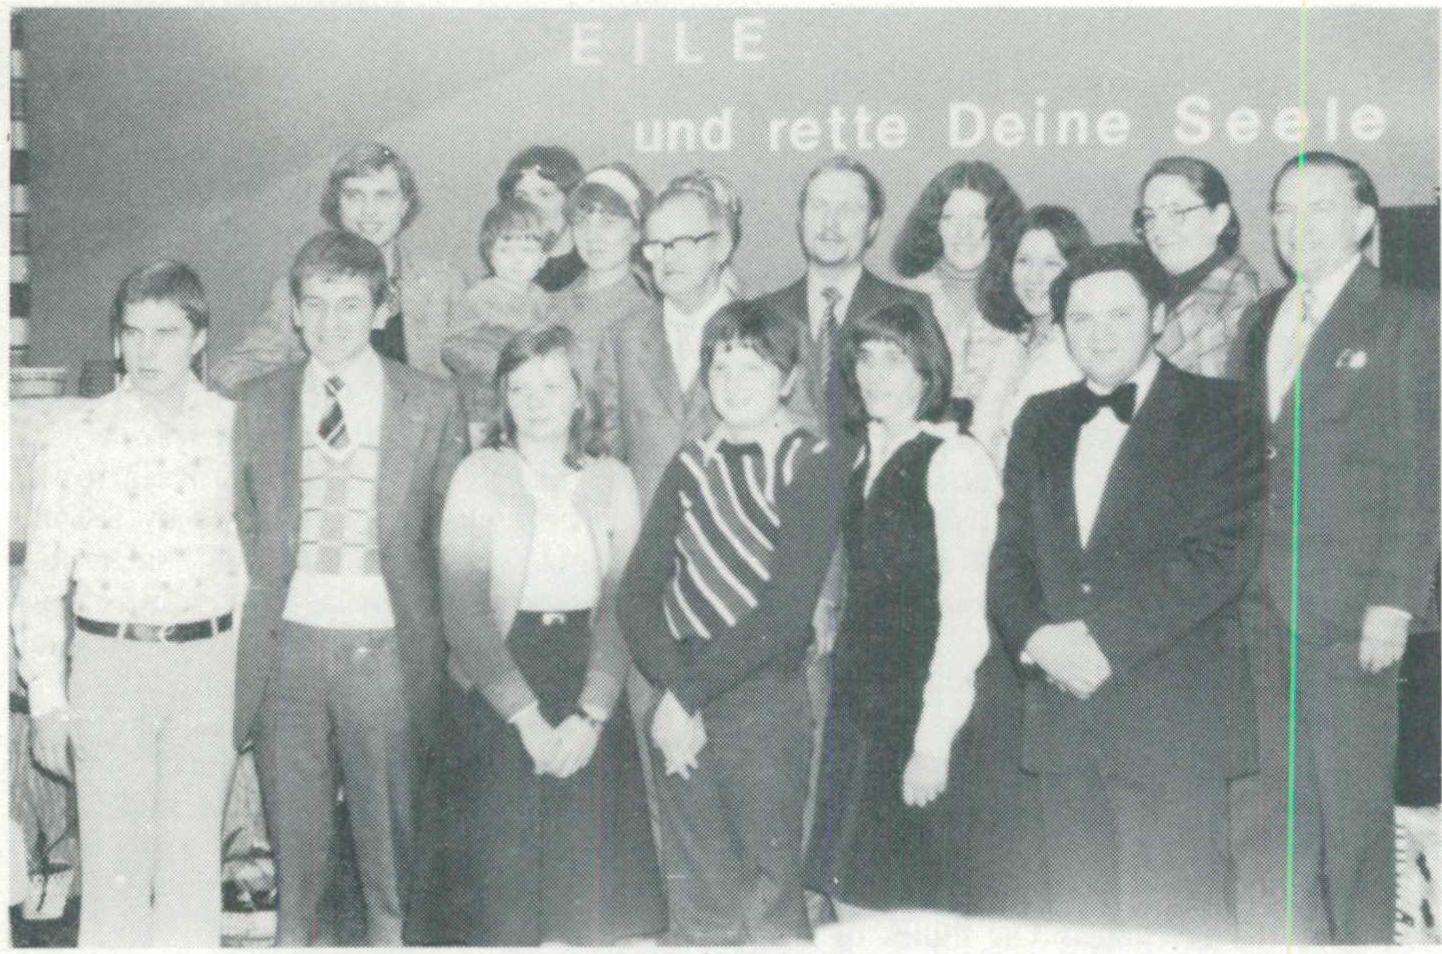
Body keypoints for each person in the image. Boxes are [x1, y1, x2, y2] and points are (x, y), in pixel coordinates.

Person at [986, 243, 1261, 939]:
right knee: (1078, 925)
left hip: (1171, 723)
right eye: (1081, 318)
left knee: (1176, 928)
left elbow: (1222, 556)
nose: (1099, 333)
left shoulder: (1222, 409)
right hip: (1064, 724)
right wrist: (1037, 638)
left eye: (1120, 314)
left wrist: (1101, 644)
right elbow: (1009, 555)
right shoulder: (1041, 417)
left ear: (1159, 317)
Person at [230, 230, 467, 945]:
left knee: (390, 843)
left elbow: (448, 536)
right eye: (316, 304)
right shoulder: (259, 401)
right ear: (294, 312)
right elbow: (245, 522)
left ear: (381, 308)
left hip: (386, 644)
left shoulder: (430, 401)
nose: (331, 321)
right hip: (289, 646)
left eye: (350, 304)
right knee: (295, 846)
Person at [1231, 152, 1439, 944]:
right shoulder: (1261, 319)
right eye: (1282, 208)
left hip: (1353, 617)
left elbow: (1424, 471)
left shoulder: (1409, 316)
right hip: (1257, 609)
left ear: (1363, 219)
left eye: (1318, 207)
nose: (1296, 225)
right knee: (1267, 819)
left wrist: (1395, 599)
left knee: (1353, 826)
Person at [13, 261, 244, 947]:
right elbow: (42, 581)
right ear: (116, 338)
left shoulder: (234, 431)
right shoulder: (78, 435)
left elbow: (251, 568)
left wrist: (252, 680)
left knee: (191, 873)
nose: (145, 350)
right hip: (110, 666)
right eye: (132, 332)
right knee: (114, 875)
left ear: (199, 338)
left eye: (165, 333)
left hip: (209, 666)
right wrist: (47, 700)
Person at [423, 325, 664, 944]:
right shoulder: (478, 474)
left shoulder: (614, 479)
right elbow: (464, 615)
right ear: (502, 397)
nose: (535, 403)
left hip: (587, 682)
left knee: (584, 907)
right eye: (520, 388)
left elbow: (623, 606)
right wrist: (527, 722)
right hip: (498, 686)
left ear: (580, 395)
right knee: (503, 907)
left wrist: (591, 717)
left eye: (552, 387)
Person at [804, 301, 1039, 917]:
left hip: (925, 714)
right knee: (849, 898)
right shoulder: (867, 455)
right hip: (865, 708)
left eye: (895, 359)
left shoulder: (955, 461)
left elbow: (966, 618)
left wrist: (932, 742)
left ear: (927, 370)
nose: (874, 374)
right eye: (865, 358)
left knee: (906, 912)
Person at [618, 300, 843, 944]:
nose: (734, 383)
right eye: (721, 367)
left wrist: (684, 695)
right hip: (681, 688)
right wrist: (674, 693)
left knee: (769, 888)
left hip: (761, 697)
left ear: (788, 380)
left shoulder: (810, 461)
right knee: (697, 888)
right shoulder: (690, 463)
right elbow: (636, 594)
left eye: (754, 367)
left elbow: (785, 612)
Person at [212, 142, 467, 393]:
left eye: (383, 196)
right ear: (338, 204)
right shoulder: (297, 286)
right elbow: (234, 372)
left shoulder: (443, 284)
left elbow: (477, 377)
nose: (368, 211)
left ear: (404, 206)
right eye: (355, 196)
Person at [756, 156, 930, 443]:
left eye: (848, 209)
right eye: (819, 206)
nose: (830, 222)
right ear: (800, 220)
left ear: (872, 226)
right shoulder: (764, 313)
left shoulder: (910, 309)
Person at [595, 173, 742, 509]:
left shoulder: (770, 328)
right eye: (657, 246)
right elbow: (606, 455)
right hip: (648, 530)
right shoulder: (622, 338)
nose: (667, 257)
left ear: (722, 246)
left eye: (683, 242)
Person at [892, 160, 1026, 425]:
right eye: (950, 218)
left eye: (977, 218)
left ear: (998, 225)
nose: (963, 232)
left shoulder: (1025, 296)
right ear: (933, 226)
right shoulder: (902, 300)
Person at [971, 205, 1091, 464]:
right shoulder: (1008, 346)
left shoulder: (1083, 350)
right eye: (1023, 261)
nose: (1034, 277)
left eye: (1051, 264)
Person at [1133, 156, 1261, 379]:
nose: (1158, 229)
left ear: (1219, 218)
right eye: (1150, 216)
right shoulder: (1150, 291)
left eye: (1176, 212)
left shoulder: (1245, 302)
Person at [441, 196, 553, 440]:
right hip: (484, 402)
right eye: (505, 250)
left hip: (527, 397)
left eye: (527, 250)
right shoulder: (481, 296)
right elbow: (452, 346)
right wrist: (500, 366)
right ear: (489, 255)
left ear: (543, 258)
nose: (517, 259)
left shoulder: (541, 298)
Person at [544, 163, 657, 389]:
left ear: (637, 231)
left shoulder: (647, 314)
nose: (592, 235)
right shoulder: (549, 304)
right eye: (582, 222)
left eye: (608, 222)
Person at [497, 145, 586, 292]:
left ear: (572, 199)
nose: (533, 207)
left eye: (545, 194)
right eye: (522, 197)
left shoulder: (594, 269)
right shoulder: (503, 274)